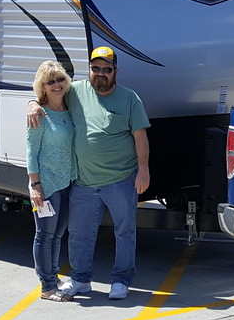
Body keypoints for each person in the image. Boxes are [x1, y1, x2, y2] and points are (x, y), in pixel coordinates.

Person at [29, 46, 150, 301]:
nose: (101, 74)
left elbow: (140, 136)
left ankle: (121, 280)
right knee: (79, 234)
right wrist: (31, 103)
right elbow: (47, 92)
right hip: (83, 182)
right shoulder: (75, 91)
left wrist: (143, 169)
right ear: (90, 69)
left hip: (120, 179)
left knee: (124, 232)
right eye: (96, 68)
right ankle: (81, 279)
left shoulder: (130, 99)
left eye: (107, 69)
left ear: (116, 71)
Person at [26, 61, 76, 301]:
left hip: (67, 181)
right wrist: (35, 185)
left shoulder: (69, 108)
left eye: (59, 79)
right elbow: (31, 152)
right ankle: (47, 287)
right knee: (44, 234)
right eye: (50, 81)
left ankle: (53, 276)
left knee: (58, 234)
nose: (56, 85)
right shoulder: (39, 115)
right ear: (42, 87)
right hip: (45, 185)